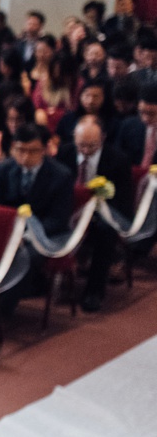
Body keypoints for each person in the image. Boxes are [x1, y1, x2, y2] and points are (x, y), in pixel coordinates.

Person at [0, 123, 74, 312]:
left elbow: (58, 220)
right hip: (11, 230)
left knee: (25, 256)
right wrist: (10, 233)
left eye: (32, 151)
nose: (25, 157)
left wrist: (27, 235)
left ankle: (1, 310)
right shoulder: (5, 168)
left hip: (45, 235)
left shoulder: (61, 175)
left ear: (45, 150)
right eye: (20, 150)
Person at [58, 115, 133, 312]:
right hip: (69, 213)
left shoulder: (118, 160)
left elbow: (123, 204)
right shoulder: (64, 153)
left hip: (102, 216)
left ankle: (94, 291)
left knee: (105, 232)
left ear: (103, 139)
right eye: (81, 145)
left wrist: (98, 209)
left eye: (92, 146)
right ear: (74, 138)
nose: (85, 151)